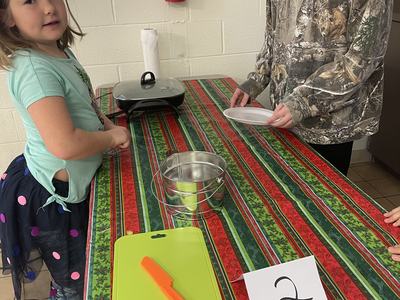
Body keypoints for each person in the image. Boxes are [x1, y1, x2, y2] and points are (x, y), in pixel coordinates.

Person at [0, 0, 131, 299]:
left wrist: (108, 126)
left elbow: (85, 101)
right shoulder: (33, 69)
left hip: (67, 183)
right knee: (76, 283)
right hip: (52, 199)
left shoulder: (58, 51)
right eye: (30, 1)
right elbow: (65, 144)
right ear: (6, 17)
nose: (48, 7)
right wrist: (111, 139)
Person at [230, 0, 393, 175]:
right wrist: (257, 79)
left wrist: (303, 102)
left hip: (329, 123)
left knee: (324, 196)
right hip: (284, 112)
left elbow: (363, 58)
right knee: (284, 188)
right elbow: (273, 34)